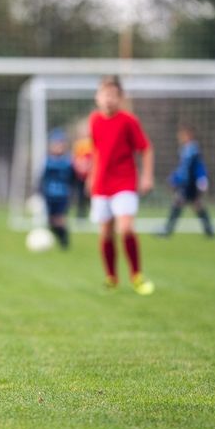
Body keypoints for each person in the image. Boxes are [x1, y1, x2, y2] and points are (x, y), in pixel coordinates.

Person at [88, 75, 155, 295]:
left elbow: (145, 148)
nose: (108, 99)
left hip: (124, 181)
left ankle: (136, 275)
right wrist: (91, 176)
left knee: (125, 228)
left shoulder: (128, 121)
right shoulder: (94, 121)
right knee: (106, 232)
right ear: (97, 98)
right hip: (101, 184)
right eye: (104, 95)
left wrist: (146, 176)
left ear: (120, 98)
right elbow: (97, 152)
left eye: (113, 95)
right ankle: (111, 277)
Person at [157, 123, 214, 238]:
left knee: (181, 203)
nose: (180, 137)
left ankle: (167, 230)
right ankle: (209, 230)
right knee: (195, 204)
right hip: (187, 183)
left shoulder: (192, 150)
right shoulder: (186, 149)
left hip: (190, 184)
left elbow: (196, 167)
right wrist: (174, 178)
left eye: (182, 135)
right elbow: (183, 168)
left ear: (189, 135)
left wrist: (202, 179)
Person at [40, 127, 74, 249]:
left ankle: (64, 241)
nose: (58, 147)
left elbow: (73, 179)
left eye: (61, 144)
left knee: (60, 219)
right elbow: (41, 179)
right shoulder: (47, 162)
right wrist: (39, 192)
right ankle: (57, 237)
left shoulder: (68, 162)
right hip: (49, 195)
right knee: (50, 221)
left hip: (63, 195)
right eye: (56, 144)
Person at [71, 118, 94, 220]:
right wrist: (79, 167)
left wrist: (89, 167)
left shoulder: (93, 143)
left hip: (91, 175)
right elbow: (75, 159)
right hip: (80, 176)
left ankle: (94, 214)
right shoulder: (78, 145)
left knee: (91, 196)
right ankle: (81, 215)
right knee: (80, 196)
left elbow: (94, 158)